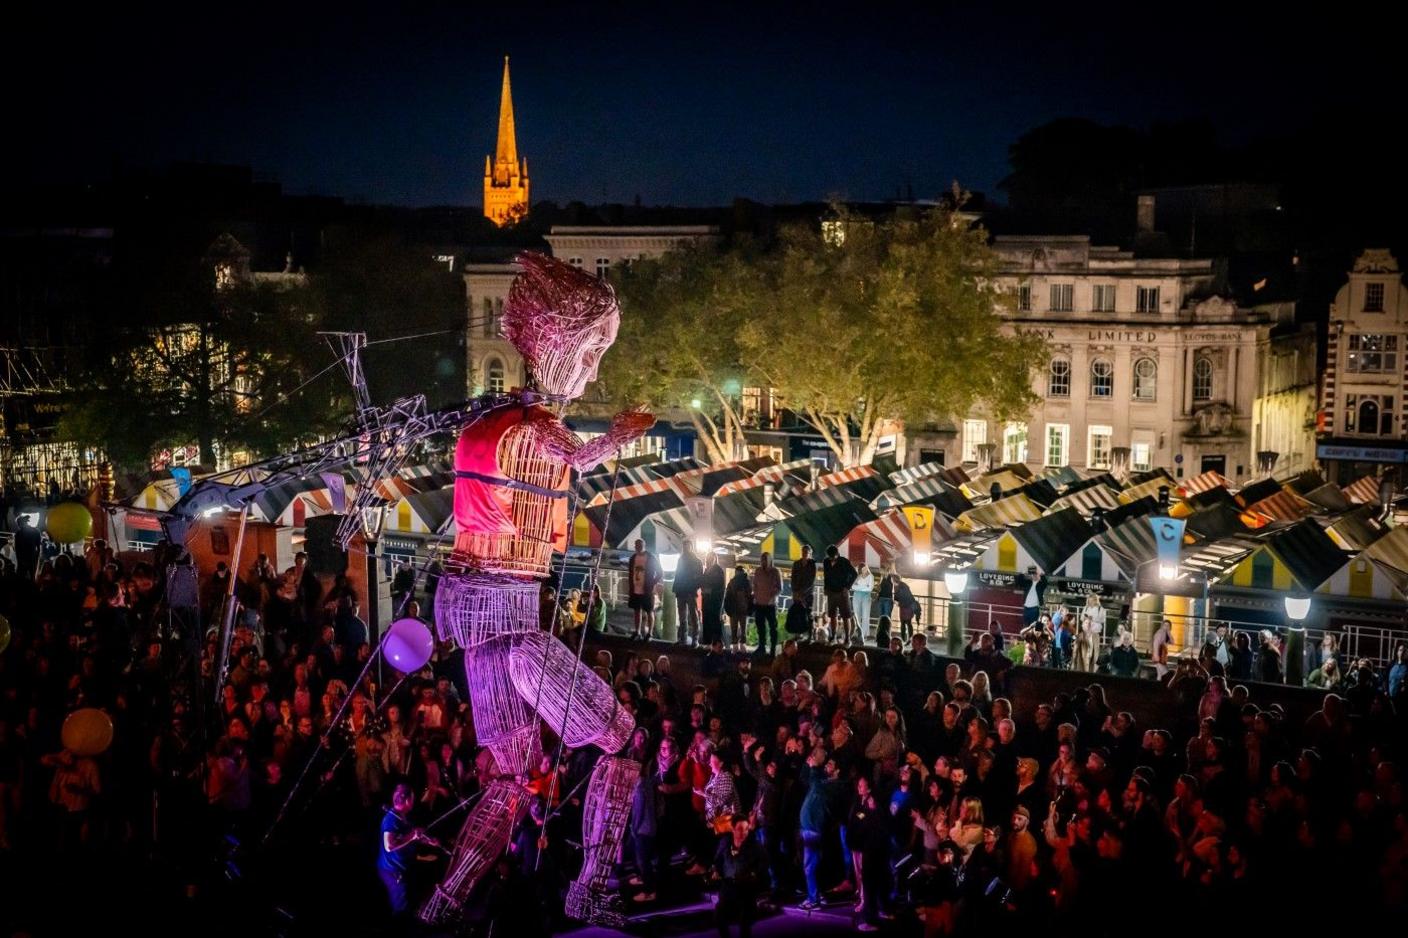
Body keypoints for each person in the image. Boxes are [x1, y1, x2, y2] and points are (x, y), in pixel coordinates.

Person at [379, 783, 435, 916]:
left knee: (408, 903)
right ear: (408, 800)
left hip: (402, 867)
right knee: (400, 908)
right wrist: (411, 836)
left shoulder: (402, 816)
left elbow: (409, 836)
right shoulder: (391, 820)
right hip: (392, 870)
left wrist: (428, 841)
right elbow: (389, 846)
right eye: (413, 798)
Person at [713, 814, 767, 938]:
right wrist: (716, 870)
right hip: (728, 886)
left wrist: (754, 874)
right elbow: (718, 859)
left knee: (745, 922)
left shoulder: (755, 846)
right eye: (740, 829)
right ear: (732, 829)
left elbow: (764, 863)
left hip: (745, 888)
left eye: (746, 829)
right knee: (719, 917)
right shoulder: (725, 843)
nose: (744, 833)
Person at [823, 545, 858, 645]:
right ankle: (833, 636)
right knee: (832, 615)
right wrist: (826, 588)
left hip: (842, 592)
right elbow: (826, 575)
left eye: (833, 556)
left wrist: (847, 587)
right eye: (830, 556)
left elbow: (854, 574)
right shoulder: (826, 562)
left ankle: (847, 638)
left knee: (846, 616)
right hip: (831, 592)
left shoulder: (844, 561)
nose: (831, 558)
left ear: (837, 554)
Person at [628, 539, 661, 641]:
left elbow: (659, 572)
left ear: (644, 546)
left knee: (649, 611)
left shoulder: (651, 557)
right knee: (637, 610)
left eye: (640, 546)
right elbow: (630, 572)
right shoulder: (633, 558)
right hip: (635, 588)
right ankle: (637, 631)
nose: (638, 547)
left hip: (647, 590)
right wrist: (630, 586)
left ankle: (649, 633)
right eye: (636, 546)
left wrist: (652, 583)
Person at [752, 552, 783, 656]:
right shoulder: (758, 571)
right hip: (759, 603)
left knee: (772, 627)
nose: (763, 562)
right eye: (762, 560)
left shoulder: (775, 571)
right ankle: (761, 647)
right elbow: (755, 585)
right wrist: (755, 596)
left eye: (765, 560)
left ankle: (773, 648)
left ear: (770, 560)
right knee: (760, 627)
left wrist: (772, 596)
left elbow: (780, 588)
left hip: (771, 604)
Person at [674, 542, 703, 647]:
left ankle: (695, 639)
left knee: (693, 616)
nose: (686, 549)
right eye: (685, 547)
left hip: (690, 591)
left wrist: (695, 586)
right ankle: (683, 638)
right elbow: (677, 575)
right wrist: (676, 589)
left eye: (688, 547)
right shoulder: (680, 560)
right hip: (681, 591)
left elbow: (700, 578)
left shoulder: (697, 561)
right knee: (683, 617)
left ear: (691, 548)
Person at [788, 546, 817, 641]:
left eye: (807, 552)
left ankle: (810, 634)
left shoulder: (812, 564)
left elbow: (811, 581)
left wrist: (802, 593)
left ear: (810, 553)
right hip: (797, 593)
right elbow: (793, 579)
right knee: (797, 613)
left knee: (808, 613)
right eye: (803, 551)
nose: (805, 553)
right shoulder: (796, 564)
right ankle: (798, 633)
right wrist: (795, 592)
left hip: (808, 594)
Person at [700, 552, 727, 647]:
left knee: (715, 620)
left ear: (715, 559)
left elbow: (720, 586)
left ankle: (717, 642)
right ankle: (707, 641)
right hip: (706, 599)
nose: (709, 560)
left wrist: (710, 590)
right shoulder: (707, 569)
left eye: (711, 558)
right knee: (706, 620)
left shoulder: (718, 570)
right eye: (708, 558)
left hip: (715, 600)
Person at [725, 564, 753, 653]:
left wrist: (728, 608)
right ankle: (742, 645)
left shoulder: (732, 582)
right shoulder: (747, 582)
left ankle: (735, 646)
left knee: (734, 628)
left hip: (734, 609)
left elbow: (728, 595)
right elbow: (750, 594)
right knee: (743, 628)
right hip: (744, 608)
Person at [852, 564, 875, 646]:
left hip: (866, 596)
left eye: (865, 568)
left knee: (865, 616)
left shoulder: (871, 576)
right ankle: (856, 633)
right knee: (856, 615)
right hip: (856, 596)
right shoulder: (858, 576)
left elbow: (870, 588)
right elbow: (852, 586)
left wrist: (859, 587)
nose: (864, 570)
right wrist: (864, 586)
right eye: (862, 568)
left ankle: (864, 634)